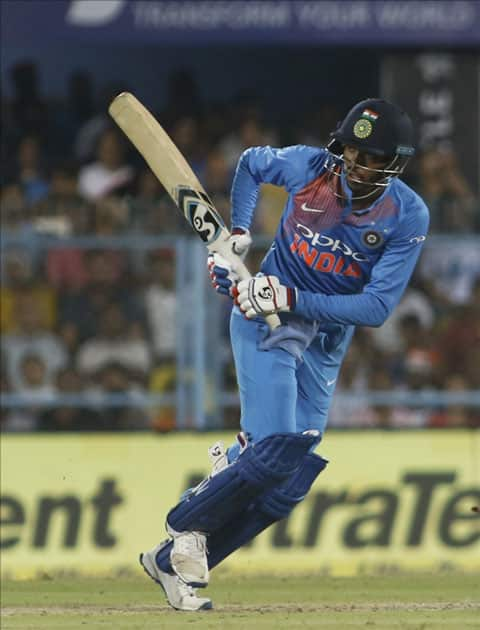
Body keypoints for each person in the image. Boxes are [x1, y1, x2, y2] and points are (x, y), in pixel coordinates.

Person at [139, 98, 430, 610]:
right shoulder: (310, 166)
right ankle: (184, 523)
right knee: (274, 448)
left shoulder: (406, 214)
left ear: (396, 163)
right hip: (261, 318)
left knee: (290, 479)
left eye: (374, 158)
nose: (358, 167)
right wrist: (239, 234)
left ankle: (169, 559)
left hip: (323, 337)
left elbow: (377, 307)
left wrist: (291, 298)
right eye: (353, 152)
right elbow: (252, 164)